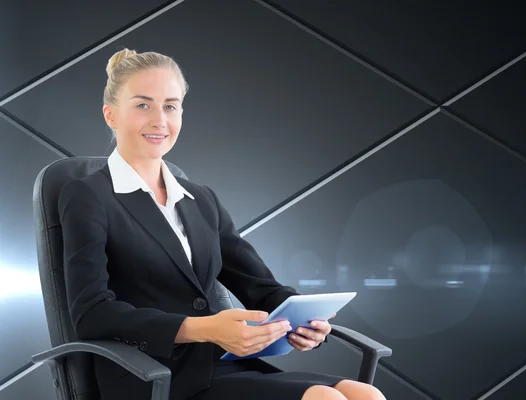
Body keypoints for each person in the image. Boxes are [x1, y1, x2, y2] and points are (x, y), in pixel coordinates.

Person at [58, 48, 385, 400]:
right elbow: (91, 313)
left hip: (223, 363)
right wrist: (204, 328)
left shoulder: (201, 200)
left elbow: (260, 286)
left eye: (170, 106)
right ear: (111, 115)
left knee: (365, 394)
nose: (159, 120)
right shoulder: (88, 195)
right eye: (142, 105)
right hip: (150, 375)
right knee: (326, 399)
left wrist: (303, 321)